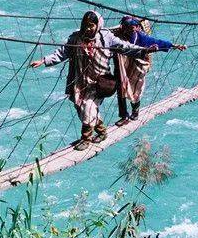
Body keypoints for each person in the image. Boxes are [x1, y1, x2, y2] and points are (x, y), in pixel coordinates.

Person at [30, 10, 154, 151]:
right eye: (85, 25)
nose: (88, 28)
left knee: (88, 108)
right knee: (83, 108)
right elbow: (62, 52)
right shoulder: (76, 38)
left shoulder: (106, 38)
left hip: (98, 83)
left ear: (98, 25)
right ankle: (101, 131)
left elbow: (124, 47)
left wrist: (144, 50)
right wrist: (44, 61)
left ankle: (86, 138)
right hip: (80, 82)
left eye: (91, 25)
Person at [112, 15, 186, 125]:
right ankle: (124, 116)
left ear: (137, 27)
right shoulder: (117, 36)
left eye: (134, 26)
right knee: (121, 89)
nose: (131, 28)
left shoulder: (141, 38)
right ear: (123, 27)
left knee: (136, 89)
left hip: (137, 64)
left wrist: (174, 45)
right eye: (128, 26)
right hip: (121, 65)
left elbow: (158, 42)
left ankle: (135, 111)